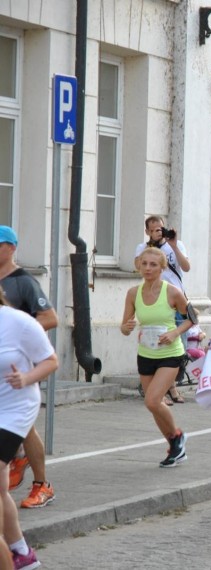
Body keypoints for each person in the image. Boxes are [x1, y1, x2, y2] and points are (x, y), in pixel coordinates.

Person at [0, 226, 59, 509]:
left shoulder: (23, 281)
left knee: (28, 425)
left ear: (11, 248)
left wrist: (20, 332)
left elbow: (50, 317)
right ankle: (16, 455)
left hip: (19, 368)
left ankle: (42, 484)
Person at [0, 288, 58, 570]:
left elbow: (51, 360)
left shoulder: (18, 322)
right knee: (1, 490)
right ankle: (21, 553)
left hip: (15, 410)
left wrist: (26, 378)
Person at [120, 247, 193, 467]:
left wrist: (174, 333)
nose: (148, 268)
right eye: (144, 264)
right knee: (154, 404)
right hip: (146, 353)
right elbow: (124, 327)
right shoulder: (133, 293)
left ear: (162, 268)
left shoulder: (172, 292)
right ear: (138, 266)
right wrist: (128, 326)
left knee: (151, 400)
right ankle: (174, 446)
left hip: (171, 354)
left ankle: (177, 436)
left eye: (153, 265)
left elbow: (192, 319)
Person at [135, 216, 191, 405]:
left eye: (161, 228)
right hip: (153, 297)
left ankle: (171, 386)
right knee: (157, 341)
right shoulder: (143, 249)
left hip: (174, 297)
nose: (158, 231)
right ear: (147, 231)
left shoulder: (175, 245)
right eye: (153, 229)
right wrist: (152, 247)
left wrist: (173, 245)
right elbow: (137, 267)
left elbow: (186, 267)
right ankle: (165, 391)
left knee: (178, 343)